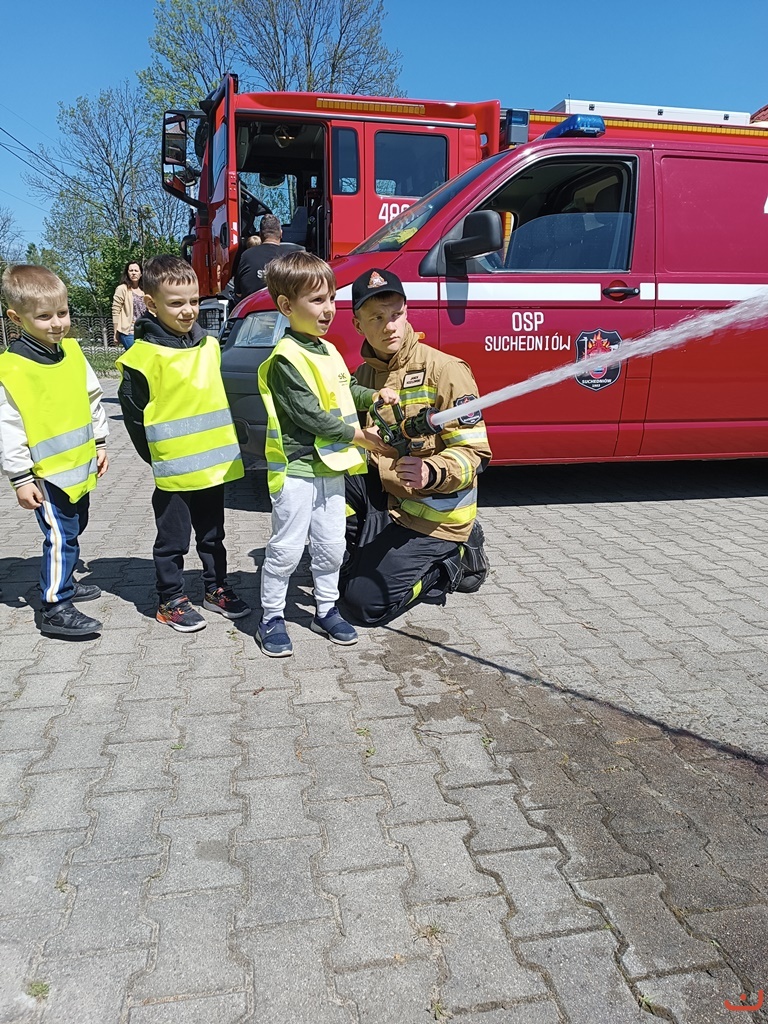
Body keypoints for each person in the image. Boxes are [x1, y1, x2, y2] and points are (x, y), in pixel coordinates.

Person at [256, 251, 399, 657]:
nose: (329, 309)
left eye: (332, 298)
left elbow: (345, 388)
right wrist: (359, 437)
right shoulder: (285, 359)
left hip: (330, 469)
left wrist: (373, 395)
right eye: (317, 300)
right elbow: (311, 415)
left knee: (331, 545)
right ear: (287, 306)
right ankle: (271, 617)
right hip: (297, 471)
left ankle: (326, 609)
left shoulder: (328, 350)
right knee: (286, 549)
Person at [340, 268, 492, 625]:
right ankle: (357, 552)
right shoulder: (362, 377)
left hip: (434, 517)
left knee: (362, 605)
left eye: (396, 314)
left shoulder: (446, 370)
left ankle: (453, 562)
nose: (390, 326)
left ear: (407, 311)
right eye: (377, 318)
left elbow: (475, 455)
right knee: (327, 479)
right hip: (391, 502)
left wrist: (431, 471)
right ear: (358, 325)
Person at [116, 255, 250, 632]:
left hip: (213, 467)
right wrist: (159, 458)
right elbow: (134, 418)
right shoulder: (141, 358)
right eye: (176, 303)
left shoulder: (209, 346)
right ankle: (170, 598)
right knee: (172, 539)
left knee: (213, 535)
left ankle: (215, 588)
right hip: (174, 471)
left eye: (193, 301)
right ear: (151, 304)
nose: (188, 310)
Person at [0, 264, 109, 638]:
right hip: (45, 475)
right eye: (44, 316)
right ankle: (55, 605)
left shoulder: (73, 352)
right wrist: (20, 478)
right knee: (61, 536)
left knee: (75, 527)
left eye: (62, 312)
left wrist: (100, 442)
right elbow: (8, 428)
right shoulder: (11, 369)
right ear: (16, 318)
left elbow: (93, 399)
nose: (57, 323)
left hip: (79, 468)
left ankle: (63, 578)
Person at [233, 214, 303, 300]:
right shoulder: (292, 258)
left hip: (254, 307)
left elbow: (238, 293)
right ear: (281, 234)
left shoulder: (246, 256)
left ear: (260, 235)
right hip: (285, 308)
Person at [112, 261, 146, 350]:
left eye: (136, 270)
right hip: (128, 331)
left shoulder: (145, 290)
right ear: (127, 273)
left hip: (144, 330)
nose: (133, 273)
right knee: (135, 354)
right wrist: (115, 333)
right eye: (131, 270)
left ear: (141, 274)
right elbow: (115, 311)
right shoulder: (122, 289)